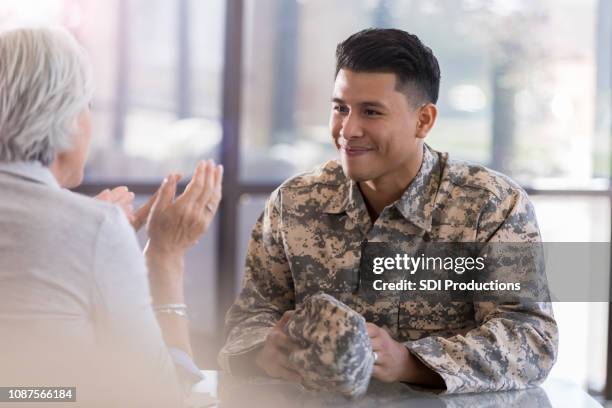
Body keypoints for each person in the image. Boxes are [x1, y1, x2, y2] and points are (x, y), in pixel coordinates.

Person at [219, 28, 558, 394]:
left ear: (424, 121)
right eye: (340, 108)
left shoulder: (492, 205)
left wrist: (407, 362)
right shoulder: (293, 203)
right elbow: (250, 317)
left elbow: (531, 338)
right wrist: (264, 352)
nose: (348, 130)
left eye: (371, 112)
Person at [0, 27, 222, 407]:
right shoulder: (94, 229)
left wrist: (92, 234)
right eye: (87, 106)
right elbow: (158, 397)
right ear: (65, 119)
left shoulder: (92, 227)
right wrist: (163, 256)